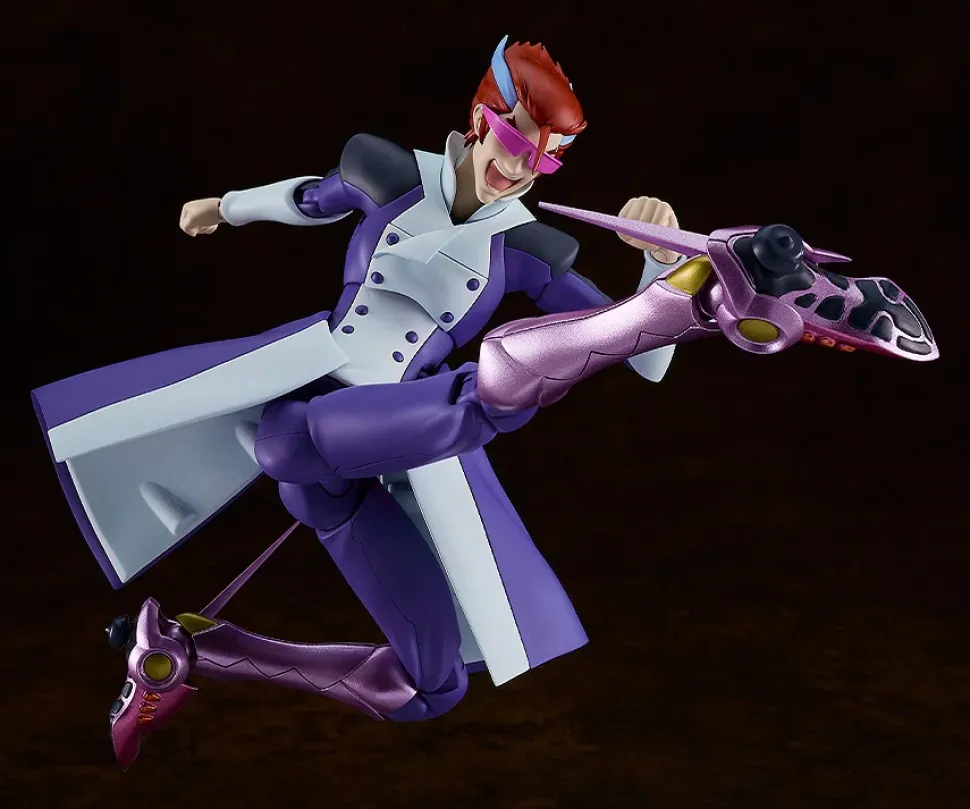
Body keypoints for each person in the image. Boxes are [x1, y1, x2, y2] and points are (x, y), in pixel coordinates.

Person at [30, 36, 937, 771]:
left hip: (371, 461)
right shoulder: (387, 172)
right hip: (302, 422)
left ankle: (184, 654)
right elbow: (309, 199)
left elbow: (644, 372)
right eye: (515, 143)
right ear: (480, 117)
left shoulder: (530, 246)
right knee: (454, 410)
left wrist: (653, 268)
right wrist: (224, 206)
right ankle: (687, 306)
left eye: (547, 159)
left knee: (431, 687)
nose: (522, 170)